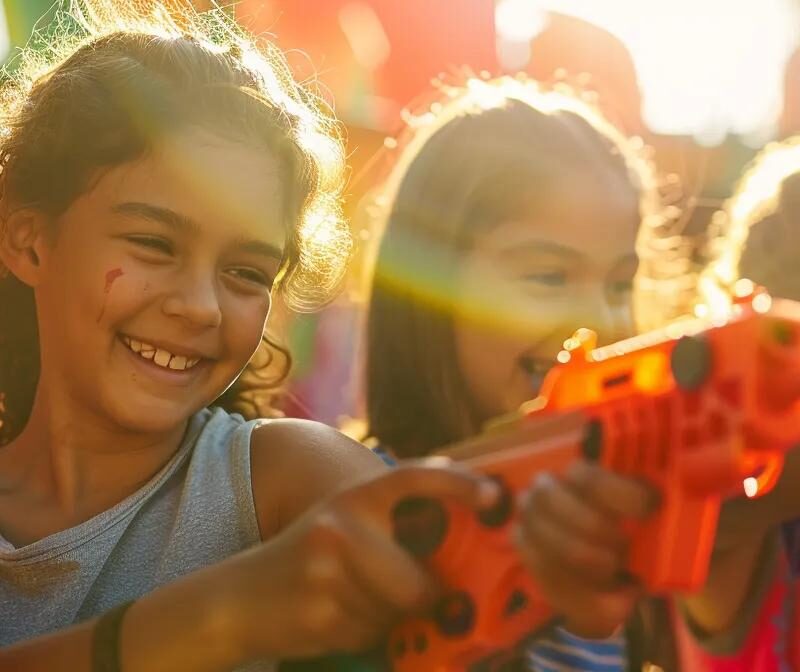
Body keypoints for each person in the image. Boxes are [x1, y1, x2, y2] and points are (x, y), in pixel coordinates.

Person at [0, 3, 514, 671]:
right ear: (28, 240)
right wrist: (218, 618)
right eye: (155, 244)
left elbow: (479, 586)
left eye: (245, 271)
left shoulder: (281, 483)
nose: (200, 307)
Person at [364, 74, 668, 670]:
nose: (597, 323)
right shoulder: (361, 501)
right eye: (549, 277)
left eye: (618, 284)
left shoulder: (630, 516)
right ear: (431, 289)